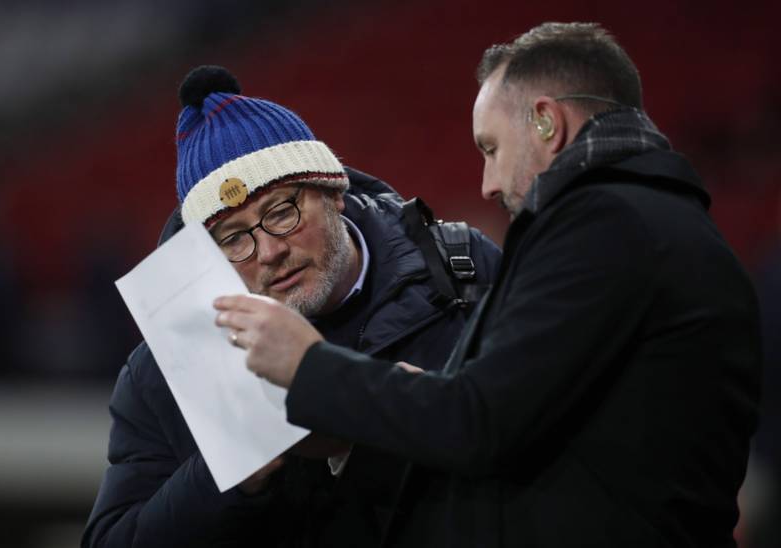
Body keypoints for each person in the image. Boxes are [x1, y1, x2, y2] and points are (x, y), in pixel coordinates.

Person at [218, 22, 763, 547]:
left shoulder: (603, 223)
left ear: (547, 123)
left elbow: (480, 423)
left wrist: (310, 366)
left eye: (491, 148)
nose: (487, 184)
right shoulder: (664, 222)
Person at [81, 66, 501, 548]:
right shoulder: (164, 370)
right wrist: (236, 469)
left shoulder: (462, 269)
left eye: (282, 212)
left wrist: (408, 414)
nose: (268, 252)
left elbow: (544, 458)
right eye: (234, 238)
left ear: (334, 193)